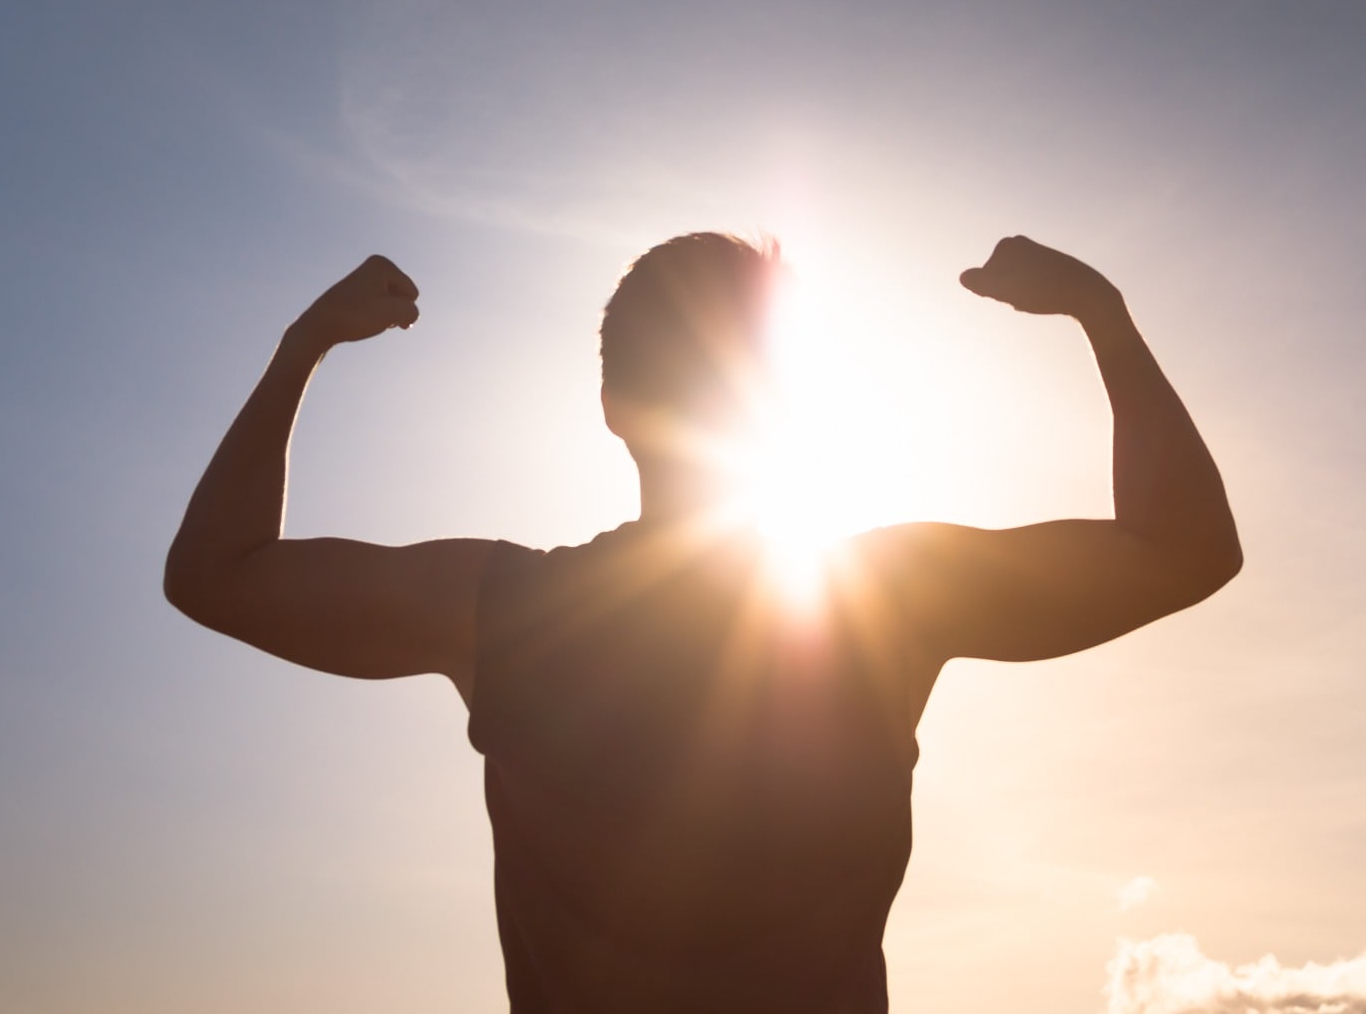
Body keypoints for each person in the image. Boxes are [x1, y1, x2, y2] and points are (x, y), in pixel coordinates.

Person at [163, 234, 1241, 1012]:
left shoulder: (502, 611)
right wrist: (1101, 312)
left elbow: (215, 575)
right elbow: (1187, 551)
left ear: (611, 410)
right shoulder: (889, 599)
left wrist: (306, 344)